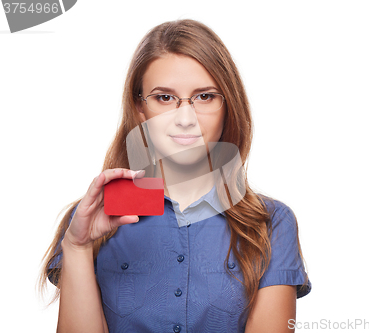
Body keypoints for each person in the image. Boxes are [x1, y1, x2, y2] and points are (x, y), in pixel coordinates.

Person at [39, 19, 311, 333]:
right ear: (140, 108)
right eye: (164, 98)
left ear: (228, 106)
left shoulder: (271, 222)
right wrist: (77, 247)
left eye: (205, 97)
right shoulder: (87, 221)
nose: (185, 119)